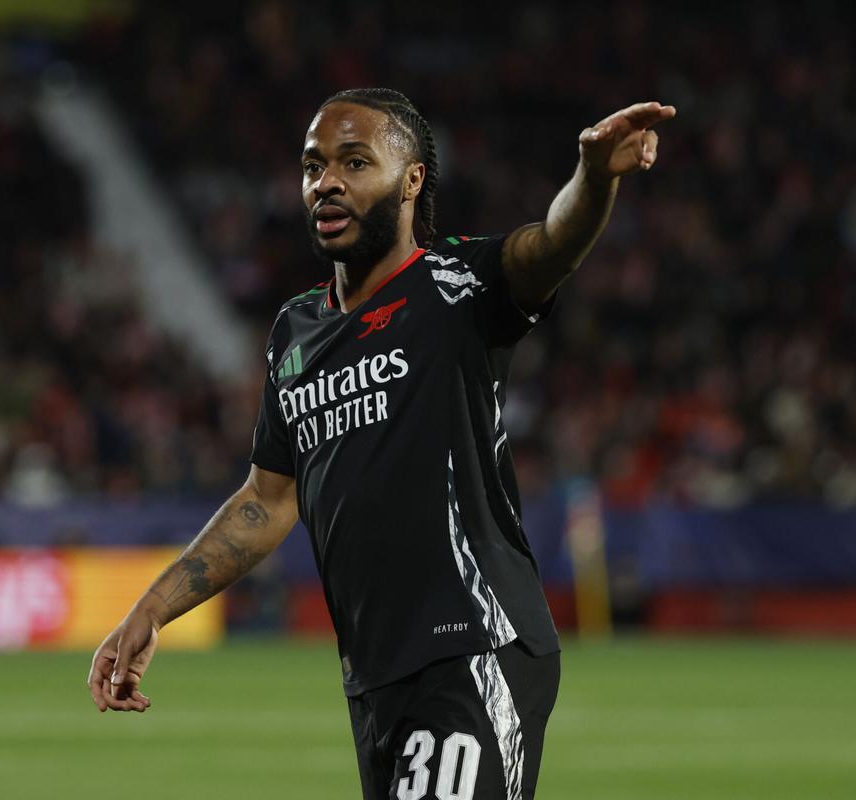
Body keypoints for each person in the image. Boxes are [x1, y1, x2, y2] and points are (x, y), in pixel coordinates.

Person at [88, 88, 674, 799]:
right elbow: (268, 499)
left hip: (474, 645)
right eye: (313, 166)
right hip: (375, 677)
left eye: (354, 162)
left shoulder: (457, 285)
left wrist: (594, 177)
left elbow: (552, 244)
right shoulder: (295, 331)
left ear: (411, 179)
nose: (325, 182)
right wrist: (152, 607)